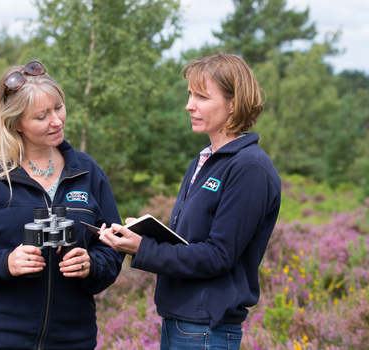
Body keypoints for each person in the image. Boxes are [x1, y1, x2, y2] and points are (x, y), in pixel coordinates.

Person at [0, 61, 124, 350]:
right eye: (41, 116)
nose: (56, 121)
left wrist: (91, 265)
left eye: (58, 108)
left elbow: (111, 246)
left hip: (73, 340)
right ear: (16, 122)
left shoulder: (87, 170)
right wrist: (5, 263)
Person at [99, 53, 281, 350]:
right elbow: (190, 242)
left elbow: (218, 256)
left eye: (202, 96)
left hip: (206, 331)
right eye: (189, 94)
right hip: (180, 323)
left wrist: (141, 248)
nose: (189, 105)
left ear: (233, 103)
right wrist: (144, 235)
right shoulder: (204, 160)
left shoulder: (250, 168)